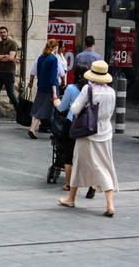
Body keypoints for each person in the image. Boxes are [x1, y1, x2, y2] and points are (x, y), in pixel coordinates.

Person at [58, 60, 119, 217]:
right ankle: (110, 203)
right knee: (105, 165)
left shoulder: (88, 89)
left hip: (87, 132)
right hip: (105, 132)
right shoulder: (111, 92)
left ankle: (71, 198)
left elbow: (75, 109)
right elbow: (111, 112)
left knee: (78, 162)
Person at [53, 62, 89, 192]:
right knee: (87, 155)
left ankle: (68, 184)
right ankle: (91, 185)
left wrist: (57, 102)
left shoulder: (71, 88)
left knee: (69, 153)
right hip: (86, 125)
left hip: (71, 123)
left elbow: (62, 108)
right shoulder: (91, 88)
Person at [28, 40, 65, 133]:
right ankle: (53, 132)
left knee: (42, 108)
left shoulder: (41, 57)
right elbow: (53, 77)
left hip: (41, 87)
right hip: (51, 89)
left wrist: (32, 81)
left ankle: (33, 129)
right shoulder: (54, 59)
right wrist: (55, 92)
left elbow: (35, 71)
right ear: (56, 47)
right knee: (54, 110)